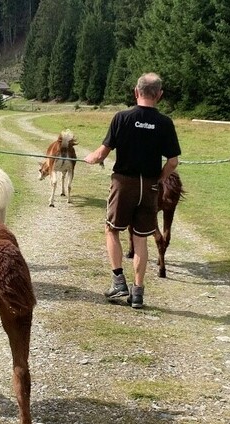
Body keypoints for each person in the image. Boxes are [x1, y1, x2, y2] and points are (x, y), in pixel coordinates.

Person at [84, 72, 181, 309]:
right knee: (140, 237)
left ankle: (118, 281)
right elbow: (173, 162)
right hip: (149, 186)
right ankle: (138, 292)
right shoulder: (165, 123)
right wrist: (157, 179)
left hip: (123, 183)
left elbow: (101, 154)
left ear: (136, 92)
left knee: (112, 230)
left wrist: (90, 158)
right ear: (159, 95)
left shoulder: (122, 118)